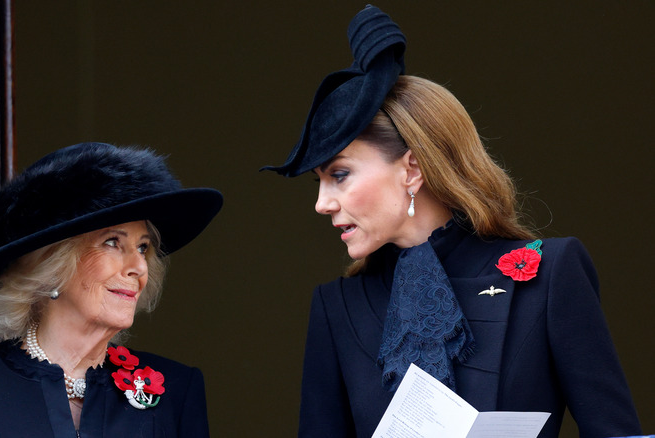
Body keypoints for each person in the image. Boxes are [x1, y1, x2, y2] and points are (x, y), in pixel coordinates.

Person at [263, 5, 641, 438]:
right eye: (318, 182)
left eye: (340, 175)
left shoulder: (551, 274)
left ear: (412, 168)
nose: (321, 204)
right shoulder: (336, 307)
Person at [0, 142, 222, 437]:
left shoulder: (176, 390)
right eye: (113, 242)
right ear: (51, 265)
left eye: (143, 247)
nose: (138, 267)